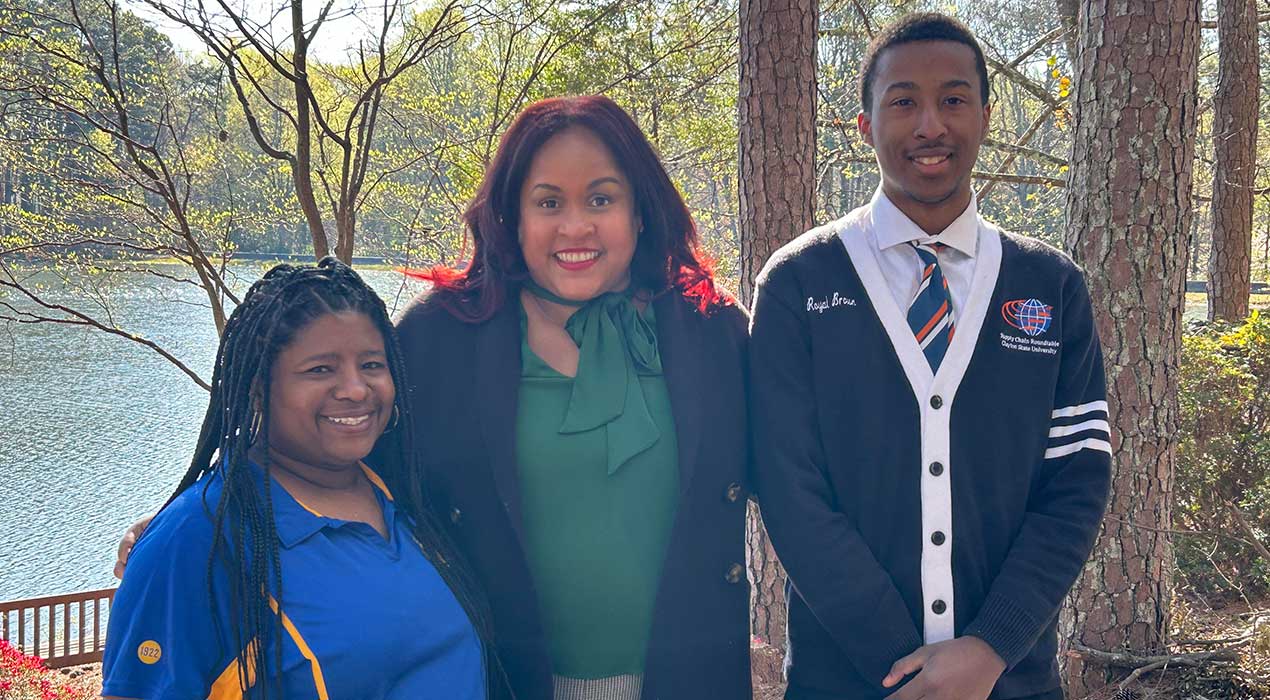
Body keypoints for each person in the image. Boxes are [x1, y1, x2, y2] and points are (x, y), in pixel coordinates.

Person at [749, 13, 1111, 700]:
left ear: (984, 114)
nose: (930, 126)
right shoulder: (799, 282)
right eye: (903, 101)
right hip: (846, 682)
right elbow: (788, 486)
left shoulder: (1050, 286)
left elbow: (1077, 481)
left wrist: (991, 647)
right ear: (864, 126)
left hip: (1011, 682)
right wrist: (902, 662)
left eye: (952, 99)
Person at [396, 94, 752, 700]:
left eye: (602, 199)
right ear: (512, 214)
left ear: (640, 211)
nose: (575, 226)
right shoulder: (437, 338)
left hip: (691, 682)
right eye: (548, 202)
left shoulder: (712, 331)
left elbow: (806, 481)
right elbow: (370, 505)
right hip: (500, 684)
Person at [102, 259, 494, 699]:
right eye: (320, 369)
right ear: (257, 385)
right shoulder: (201, 539)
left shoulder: (406, 492)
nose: (356, 389)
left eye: (371, 364)